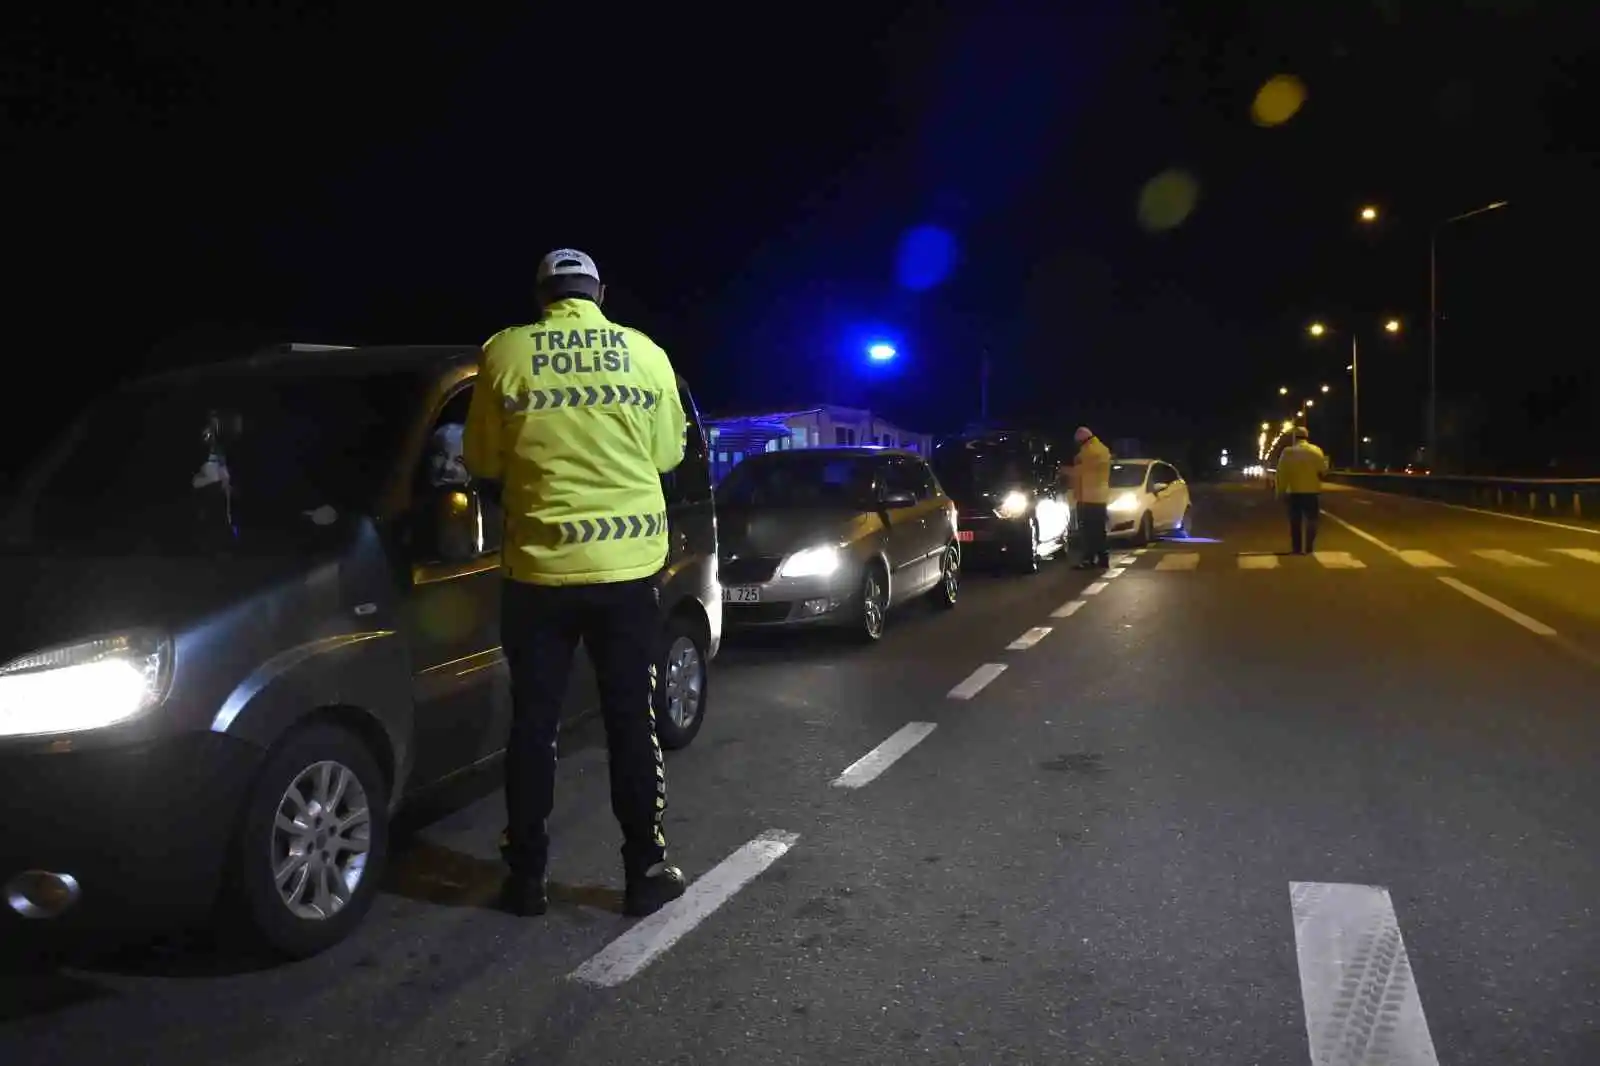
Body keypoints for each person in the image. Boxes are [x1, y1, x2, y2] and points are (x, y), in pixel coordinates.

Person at [463, 248, 689, 918]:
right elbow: (667, 453)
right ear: (599, 293)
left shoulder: (504, 353)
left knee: (534, 725)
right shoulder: (645, 353)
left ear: (542, 297)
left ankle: (525, 878)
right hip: (627, 576)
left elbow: (481, 458)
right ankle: (645, 868)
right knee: (630, 720)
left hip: (537, 572)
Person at [1274, 425, 1329, 554]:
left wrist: (1280, 491)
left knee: (1295, 521)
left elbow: (1281, 474)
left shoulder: (1288, 452)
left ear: (1294, 438)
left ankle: (1297, 548)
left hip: (1294, 492)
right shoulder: (1316, 451)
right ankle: (1309, 546)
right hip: (1311, 491)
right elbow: (1323, 471)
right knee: (1312, 519)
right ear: (1307, 437)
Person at [1066, 426, 1112, 570]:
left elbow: (1079, 472)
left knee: (1087, 531)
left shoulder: (1089, 452)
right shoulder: (1102, 449)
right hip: (1099, 497)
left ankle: (1088, 559)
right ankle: (1102, 559)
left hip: (1088, 497)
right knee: (1098, 530)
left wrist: (1063, 470)